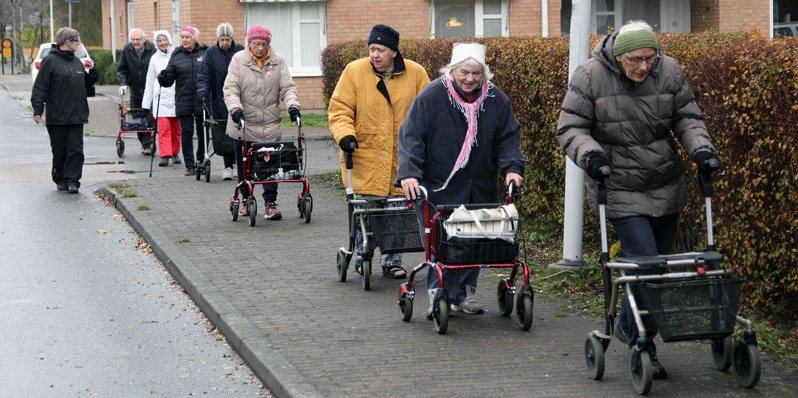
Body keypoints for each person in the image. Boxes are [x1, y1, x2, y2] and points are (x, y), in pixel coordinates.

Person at [556, 20, 719, 380]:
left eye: (650, 58)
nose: (644, 66)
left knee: (654, 269)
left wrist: (702, 151)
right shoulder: (590, 76)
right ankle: (643, 346)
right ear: (618, 55)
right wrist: (591, 155)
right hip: (620, 187)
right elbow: (570, 128)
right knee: (645, 264)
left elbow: (687, 117)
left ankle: (632, 329)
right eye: (635, 59)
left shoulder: (670, 71)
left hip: (665, 184)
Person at [397, 42, 525, 315]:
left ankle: (464, 293)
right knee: (442, 246)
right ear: (453, 69)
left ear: (484, 74)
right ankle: (439, 295)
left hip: (479, 183)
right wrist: (409, 174)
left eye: (476, 74)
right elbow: (411, 136)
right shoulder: (432, 96)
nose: (470, 79)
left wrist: (513, 167)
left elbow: (508, 137)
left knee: (475, 242)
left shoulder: (495, 99)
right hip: (437, 186)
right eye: (464, 72)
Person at [328, 24, 430, 280]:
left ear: (394, 51)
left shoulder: (416, 74)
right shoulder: (354, 71)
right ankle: (364, 255)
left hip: (401, 159)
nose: (375, 54)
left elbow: (429, 114)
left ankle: (392, 260)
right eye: (372, 49)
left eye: (381, 49)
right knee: (367, 210)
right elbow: (339, 109)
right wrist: (345, 135)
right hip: (365, 157)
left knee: (397, 210)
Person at [223, 24, 301, 220]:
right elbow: (230, 88)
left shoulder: (278, 61)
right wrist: (235, 110)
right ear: (249, 43)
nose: (260, 48)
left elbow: (287, 88)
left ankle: (270, 204)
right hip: (243, 123)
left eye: (264, 44)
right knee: (244, 165)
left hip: (269, 125)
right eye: (257, 43)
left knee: (270, 166)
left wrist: (292, 106)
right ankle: (244, 200)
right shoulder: (238, 60)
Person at [31, 27, 99, 194]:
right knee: (60, 150)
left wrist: (93, 70)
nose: (79, 44)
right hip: (57, 115)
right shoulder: (50, 61)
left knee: (76, 150)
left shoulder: (77, 62)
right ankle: (60, 177)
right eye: (76, 41)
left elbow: (86, 84)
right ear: (67, 42)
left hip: (77, 114)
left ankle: (73, 181)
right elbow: (40, 88)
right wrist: (38, 110)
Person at [158, 26, 209, 176]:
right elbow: (168, 80)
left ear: (195, 38)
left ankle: (201, 160)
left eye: (188, 37)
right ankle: (190, 165)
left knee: (203, 132)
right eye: (182, 37)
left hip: (202, 99)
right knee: (186, 133)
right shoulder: (177, 54)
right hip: (184, 100)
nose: (184, 40)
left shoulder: (205, 53)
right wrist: (163, 77)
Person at [198, 23, 244, 180]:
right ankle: (228, 167)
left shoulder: (240, 50)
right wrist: (203, 91)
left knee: (238, 132)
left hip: (238, 98)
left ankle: (239, 164)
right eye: (222, 39)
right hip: (218, 99)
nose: (225, 43)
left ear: (232, 39)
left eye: (228, 39)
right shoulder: (211, 52)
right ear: (218, 39)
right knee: (224, 133)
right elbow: (204, 75)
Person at [142, 30, 181, 167]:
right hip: (161, 99)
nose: (162, 43)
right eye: (159, 41)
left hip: (176, 97)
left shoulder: (176, 55)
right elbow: (150, 81)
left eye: (164, 40)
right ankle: (165, 154)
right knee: (164, 129)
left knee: (176, 128)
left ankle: (175, 152)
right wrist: (146, 104)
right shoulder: (154, 59)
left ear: (169, 41)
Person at [117, 28, 157, 155]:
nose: (135, 42)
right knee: (138, 119)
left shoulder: (152, 49)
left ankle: (149, 143)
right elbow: (122, 69)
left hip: (150, 91)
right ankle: (144, 143)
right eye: (133, 39)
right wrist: (123, 84)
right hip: (135, 91)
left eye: (138, 39)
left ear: (144, 40)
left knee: (150, 119)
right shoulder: (127, 50)